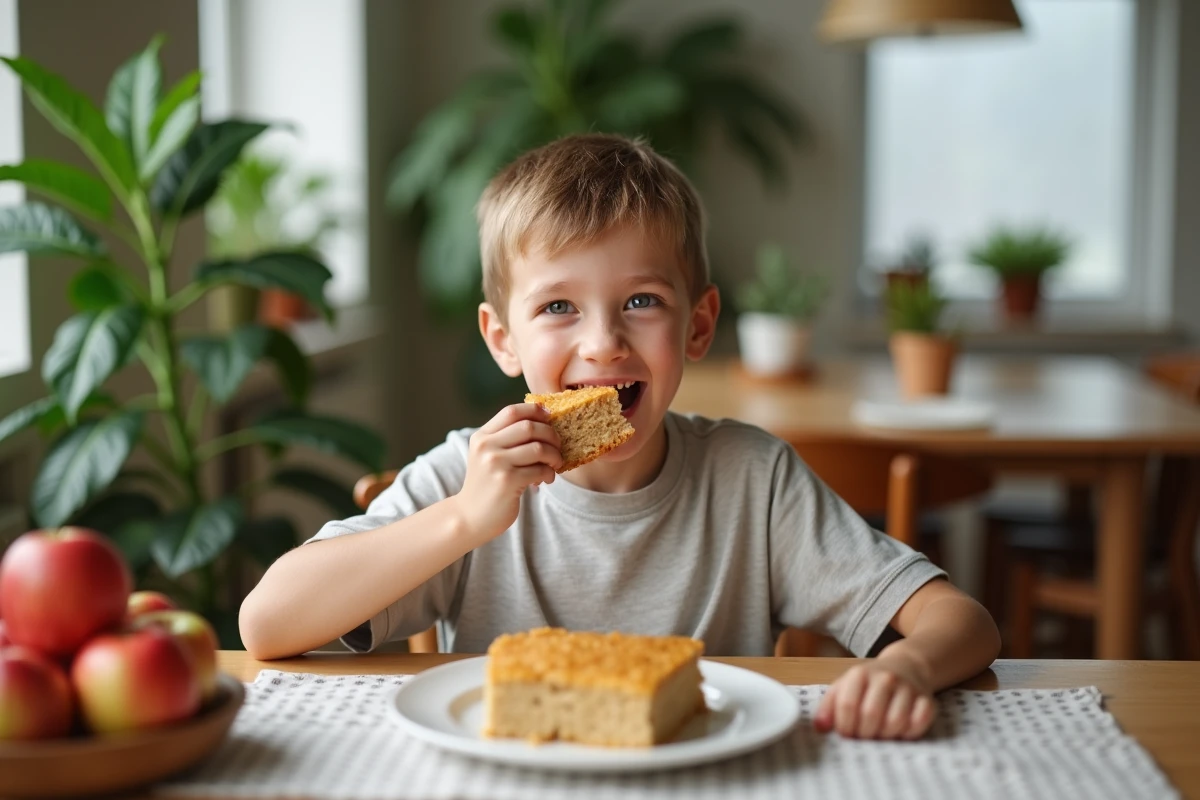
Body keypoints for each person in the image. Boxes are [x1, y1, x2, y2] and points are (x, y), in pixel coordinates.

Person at [239, 133, 1000, 740]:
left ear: (698, 325)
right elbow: (265, 624)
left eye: (641, 300)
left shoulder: (752, 480)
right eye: (559, 308)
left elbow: (962, 622)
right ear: (502, 339)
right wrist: (464, 520)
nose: (602, 343)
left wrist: (907, 670)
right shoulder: (466, 479)